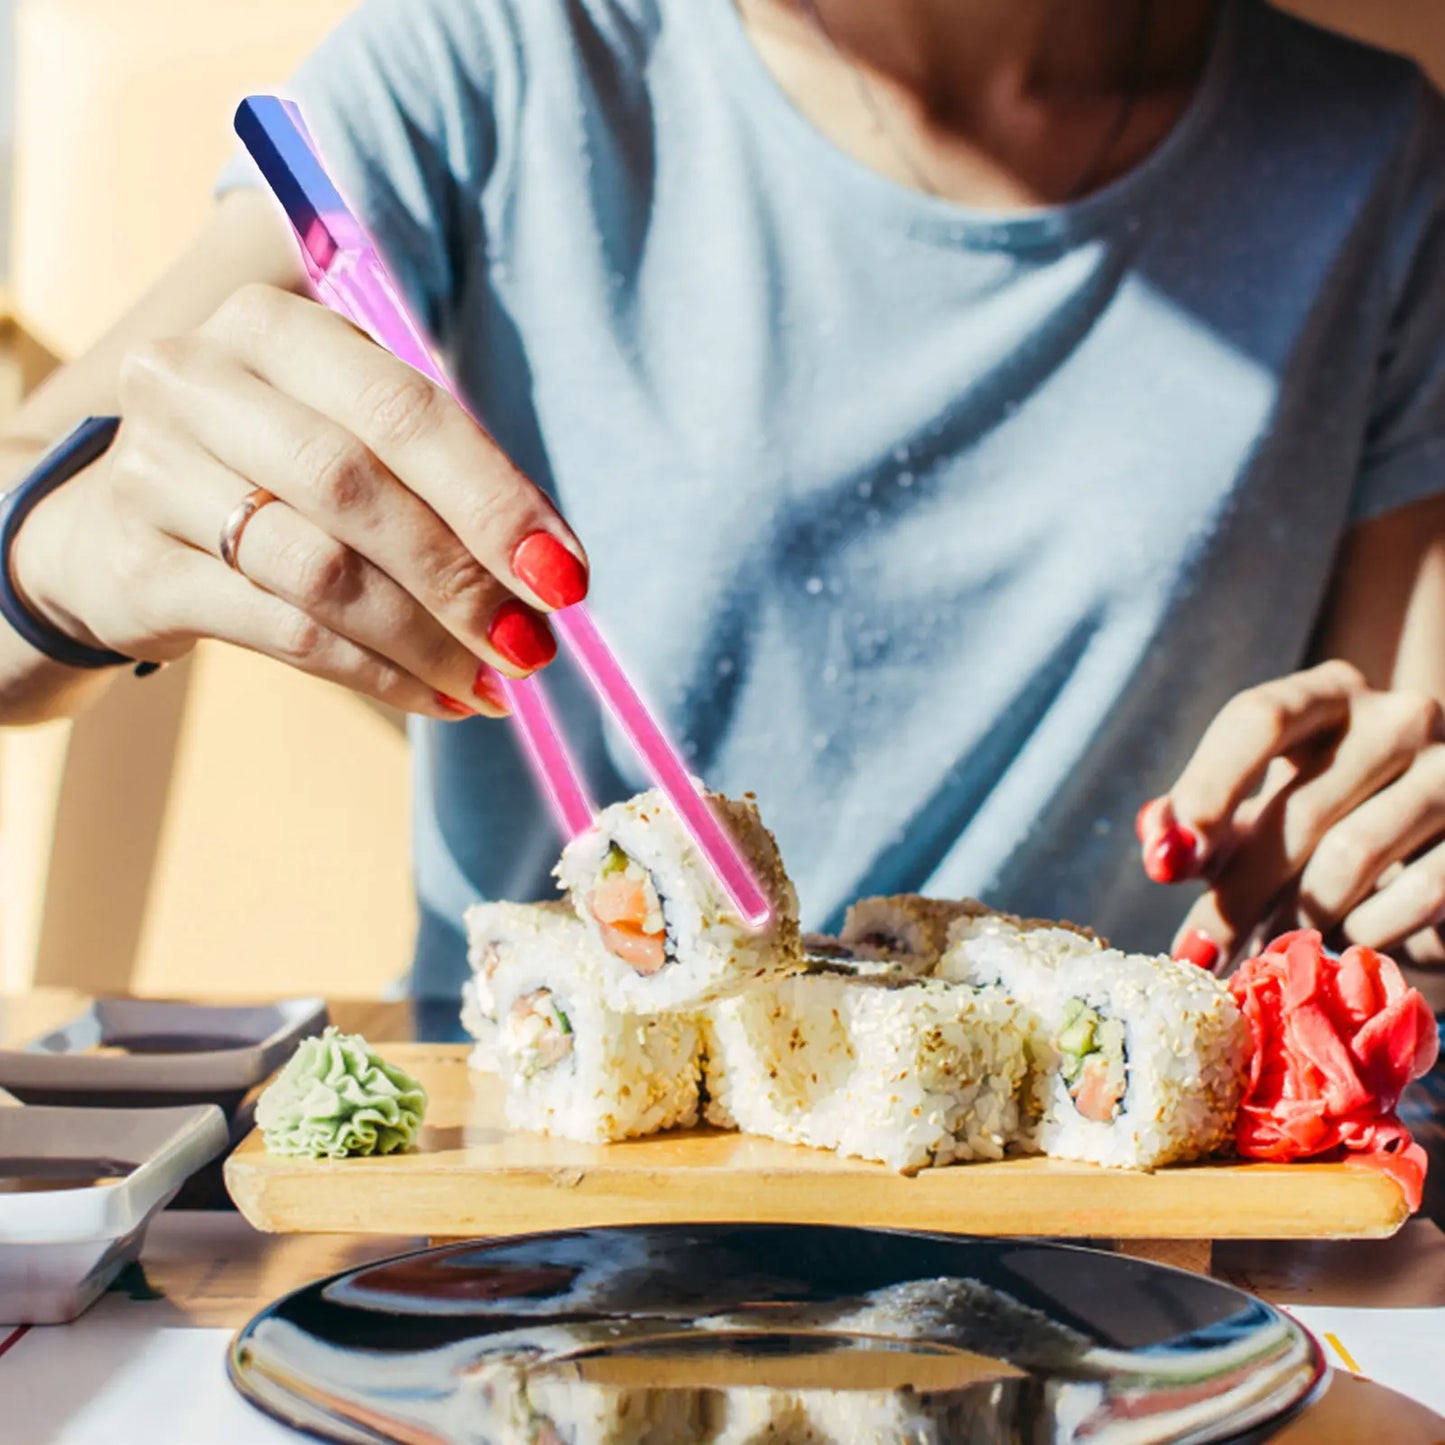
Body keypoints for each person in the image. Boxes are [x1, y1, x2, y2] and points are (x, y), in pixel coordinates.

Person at [1, 0, 1444, 1005]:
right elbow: (34, 520)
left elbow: (1368, 825)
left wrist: (1383, 873)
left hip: (1116, 1245)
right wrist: (62, 554)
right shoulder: (491, 61)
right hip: (541, 1211)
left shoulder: (1375, 163)